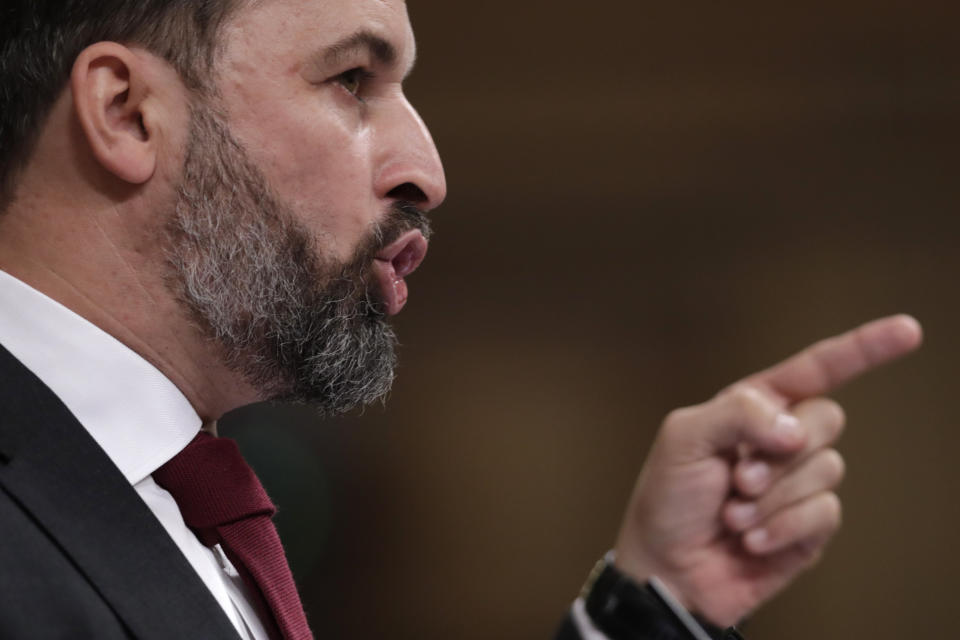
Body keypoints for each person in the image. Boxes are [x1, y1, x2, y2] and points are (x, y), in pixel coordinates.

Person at [0, 1, 922, 638]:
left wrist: (655, 603)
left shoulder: (177, 493)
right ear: (126, 112)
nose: (426, 170)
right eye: (353, 78)